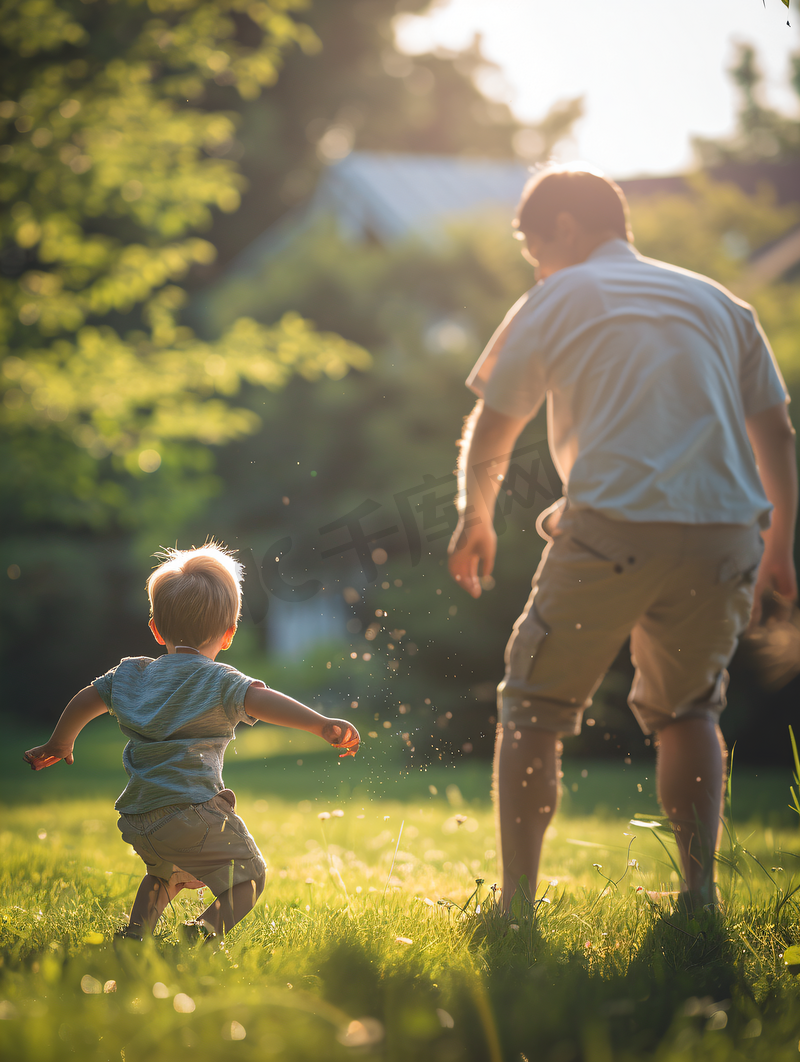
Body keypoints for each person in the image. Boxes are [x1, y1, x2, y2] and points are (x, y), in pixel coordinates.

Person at [448, 165, 797, 914]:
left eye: (534, 246)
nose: (535, 263)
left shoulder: (554, 295)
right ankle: (698, 896)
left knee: (533, 710)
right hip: (726, 535)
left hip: (611, 529)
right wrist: (781, 545)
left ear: (566, 229)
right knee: (690, 710)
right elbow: (774, 434)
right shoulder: (721, 303)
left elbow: (497, 424)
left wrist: (475, 517)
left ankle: (515, 905)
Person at [23, 541, 360, 941]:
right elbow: (264, 701)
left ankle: (136, 934)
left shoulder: (131, 674)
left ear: (156, 629)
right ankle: (201, 933)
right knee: (249, 877)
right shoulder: (219, 680)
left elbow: (87, 698)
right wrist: (319, 724)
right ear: (229, 634)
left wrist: (61, 743)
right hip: (188, 811)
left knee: (164, 872)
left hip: (139, 816)